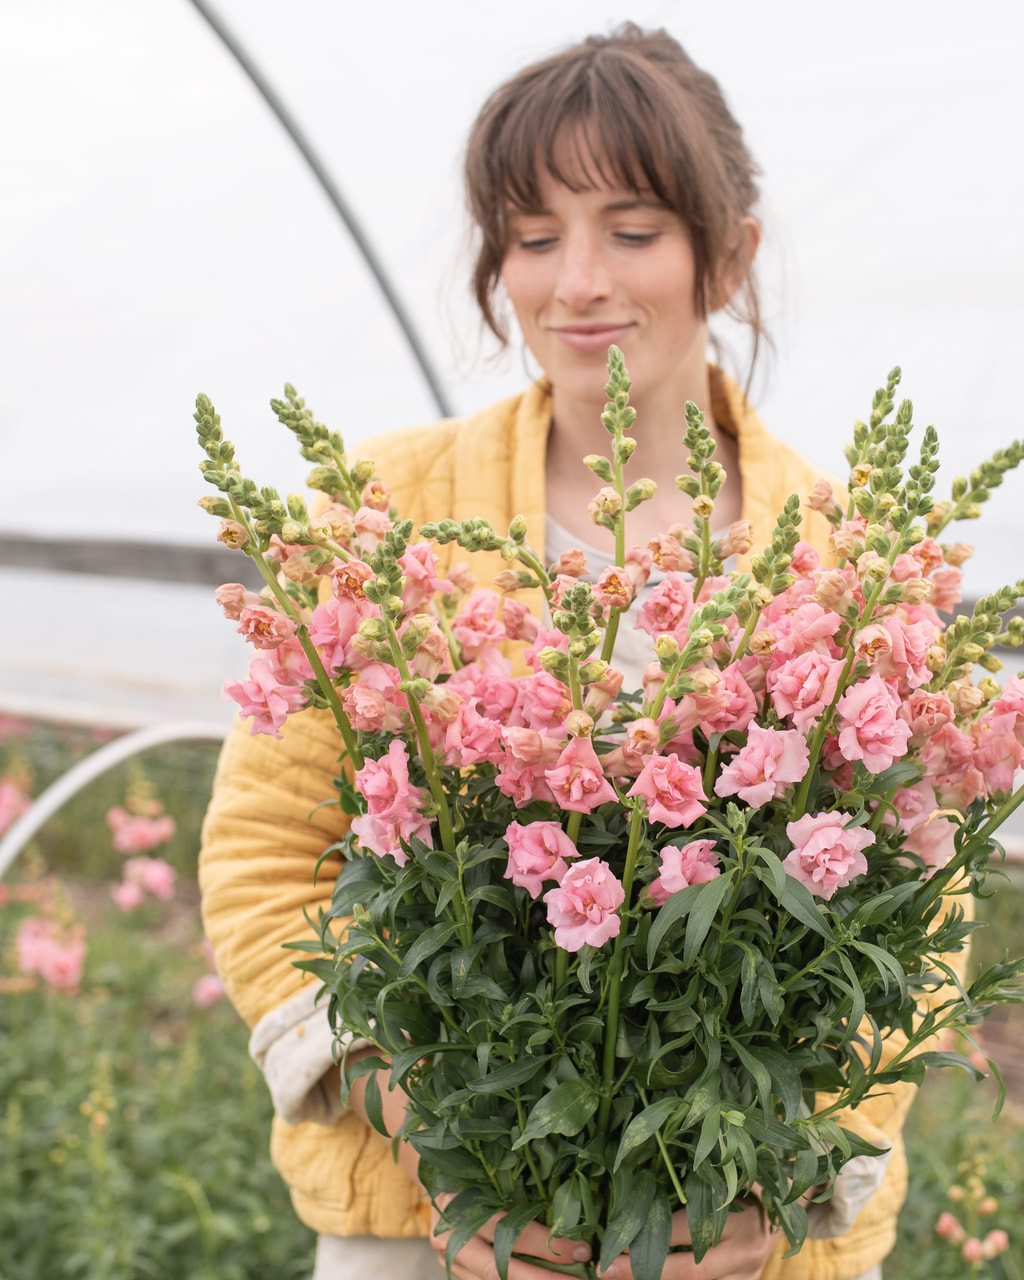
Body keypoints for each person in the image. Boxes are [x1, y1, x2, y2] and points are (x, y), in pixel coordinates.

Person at [200, 24, 917, 1280]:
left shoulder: (842, 554)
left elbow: (923, 900)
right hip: (431, 1228)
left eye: (631, 230)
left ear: (728, 254)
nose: (578, 280)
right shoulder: (384, 507)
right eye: (533, 237)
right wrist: (430, 1126)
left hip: (736, 1236)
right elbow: (268, 848)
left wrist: (781, 1178)